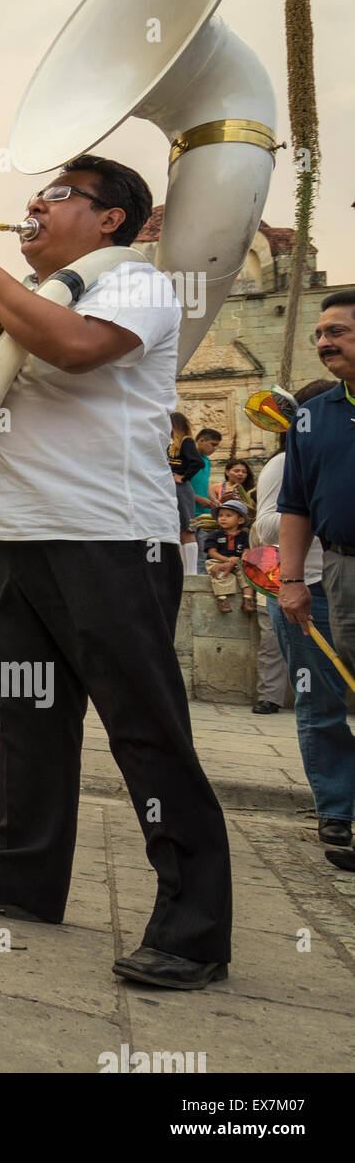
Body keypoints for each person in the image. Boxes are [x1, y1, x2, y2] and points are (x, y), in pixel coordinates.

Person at [0, 153, 233, 991]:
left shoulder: (135, 282)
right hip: (22, 537)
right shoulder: (33, 299)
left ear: (111, 219)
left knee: (146, 730)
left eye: (54, 198)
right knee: (27, 720)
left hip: (109, 541)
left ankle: (194, 926)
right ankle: (20, 871)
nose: (32, 210)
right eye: (31, 198)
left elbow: (80, 351)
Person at [254, 377, 354, 837]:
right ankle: (337, 810)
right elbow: (267, 527)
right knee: (322, 704)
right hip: (307, 592)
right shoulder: (281, 461)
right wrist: (320, 503)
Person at [277, 291, 355, 874]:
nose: (325, 342)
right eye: (321, 333)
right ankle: (340, 809)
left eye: (339, 332)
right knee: (329, 697)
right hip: (341, 569)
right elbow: (296, 504)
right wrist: (292, 581)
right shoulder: (312, 416)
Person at [168, 412, 202, 573]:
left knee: (187, 528)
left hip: (181, 488)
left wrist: (183, 476)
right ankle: (184, 570)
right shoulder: (172, 444)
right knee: (180, 529)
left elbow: (197, 462)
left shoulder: (186, 442)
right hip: (172, 488)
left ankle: (192, 571)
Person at [206, 499, 254, 613]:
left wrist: (239, 561)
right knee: (218, 574)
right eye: (220, 515)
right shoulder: (215, 535)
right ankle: (222, 599)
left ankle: (248, 599)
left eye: (228, 515)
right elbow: (212, 552)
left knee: (249, 572)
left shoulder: (245, 535)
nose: (223, 518)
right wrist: (227, 560)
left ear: (240, 520)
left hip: (238, 561)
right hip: (218, 560)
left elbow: (246, 551)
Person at [190, 427, 223, 571]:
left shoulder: (206, 461)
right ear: (201, 440)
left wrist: (213, 499)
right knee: (190, 549)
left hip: (204, 513)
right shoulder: (188, 457)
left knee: (204, 550)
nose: (214, 449)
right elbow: (179, 484)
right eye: (213, 444)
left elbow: (205, 483)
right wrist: (197, 498)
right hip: (189, 510)